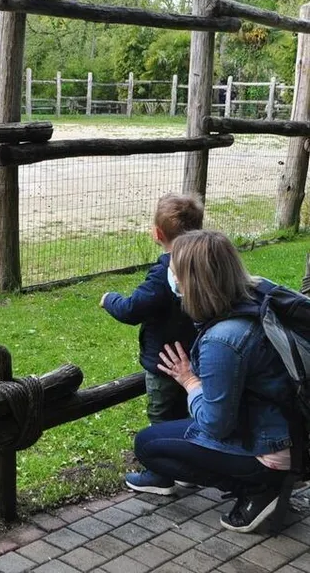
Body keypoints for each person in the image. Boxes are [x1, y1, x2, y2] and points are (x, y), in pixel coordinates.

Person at [131, 230, 293, 533]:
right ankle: (271, 479)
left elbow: (216, 425)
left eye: (174, 272)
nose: (172, 278)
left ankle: (260, 488)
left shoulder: (224, 339)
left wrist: (190, 380)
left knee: (148, 445)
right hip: (292, 432)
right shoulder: (260, 295)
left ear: (193, 281)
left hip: (272, 449)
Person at [100, 193, 203, 495]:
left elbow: (133, 309)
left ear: (157, 234)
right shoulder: (204, 264)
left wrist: (110, 300)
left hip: (163, 363)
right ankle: (189, 469)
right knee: (188, 413)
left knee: (160, 418)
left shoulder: (163, 274)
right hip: (195, 358)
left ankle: (160, 474)